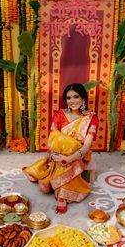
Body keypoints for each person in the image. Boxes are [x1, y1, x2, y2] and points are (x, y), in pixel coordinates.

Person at [22, 83, 99, 214]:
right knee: (44, 188)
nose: (72, 101)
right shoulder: (59, 114)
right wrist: (54, 156)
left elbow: (86, 146)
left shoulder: (91, 118)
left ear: (83, 98)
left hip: (78, 155)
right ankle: (56, 183)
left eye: (76, 97)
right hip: (56, 155)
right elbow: (52, 140)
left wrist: (69, 158)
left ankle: (62, 195)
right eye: (69, 98)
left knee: (49, 182)